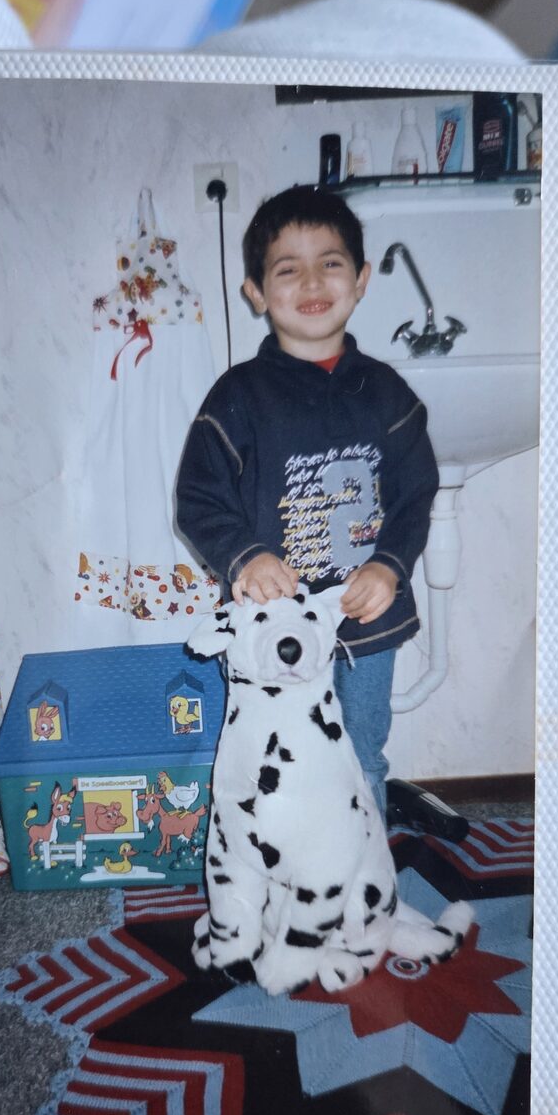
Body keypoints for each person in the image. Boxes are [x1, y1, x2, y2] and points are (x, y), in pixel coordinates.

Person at [175, 184, 438, 818]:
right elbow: (197, 497)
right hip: (274, 622)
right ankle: (279, 885)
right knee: (272, 753)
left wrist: (389, 564)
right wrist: (244, 557)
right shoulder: (236, 396)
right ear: (258, 293)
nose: (313, 280)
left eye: (332, 262)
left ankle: (363, 893)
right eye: (288, 269)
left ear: (362, 278)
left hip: (366, 620)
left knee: (362, 754)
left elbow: (414, 492)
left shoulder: (387, 391)